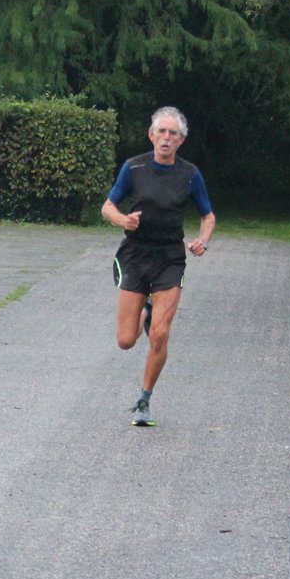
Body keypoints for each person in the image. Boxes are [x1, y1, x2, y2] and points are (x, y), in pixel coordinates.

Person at [101, 106, 215, 426]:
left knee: (160, 335)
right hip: (135, 255)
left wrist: (202, 241)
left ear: (181, 141)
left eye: (173, 134)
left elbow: (208, 216)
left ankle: (144, 400)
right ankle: (144, 312)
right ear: (151, 136)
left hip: (169, 258)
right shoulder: (133, 168)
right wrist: (123, 219)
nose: (166, 138)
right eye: (161, 132)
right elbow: (107, 207)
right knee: (125, 341)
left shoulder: (190, 175)